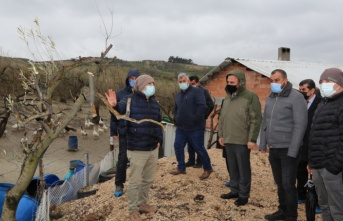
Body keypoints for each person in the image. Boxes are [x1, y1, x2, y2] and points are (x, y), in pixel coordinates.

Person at [106, 74, 163, 221]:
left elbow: (158, 123)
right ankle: (132, 209)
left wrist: (159, 139)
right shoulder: (129, 100)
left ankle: (142, 203)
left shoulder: (154, 103)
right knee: (135, 181)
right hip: (137, 148)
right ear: (141, 86)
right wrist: (114, 105)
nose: (152, 86)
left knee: (148, 180)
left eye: (153, 83)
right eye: (149, 84)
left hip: (152, 147)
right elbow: (120, 110)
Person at [259, 69, 308, 221]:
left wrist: (293, 150)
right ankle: (282, 210)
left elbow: (300, 125)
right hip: (274, 148)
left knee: (288, 184)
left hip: (288, 149)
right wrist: (263, 142)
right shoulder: (271, 97)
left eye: (277, 80)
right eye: (272, 80)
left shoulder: (296, 98)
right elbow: (265, 121)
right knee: (279, 182)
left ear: (285, 80)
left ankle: (291, 215)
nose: (273, 83)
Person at [218, 70, 262, 207]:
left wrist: (252, 139)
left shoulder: (250, 96)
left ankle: (244, 195)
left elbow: (256, 119)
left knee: (243, 169)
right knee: (232, 167)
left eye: (232, 82)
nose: (229, 84)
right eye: (228, 82)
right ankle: (234, 190)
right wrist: (221, 135)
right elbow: (222, 118)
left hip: (243, 140)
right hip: (228, 139)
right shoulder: (227, 98)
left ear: (240, 82)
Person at [308, 68, 343, 221]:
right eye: (321, 82)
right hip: (317, 165)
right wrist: (311, 161)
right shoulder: (323, 103)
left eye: (328, 81)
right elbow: (315, 134)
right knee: (324, 205)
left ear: (339, 83)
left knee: (337, 208)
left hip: (332, 168)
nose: (323, 85)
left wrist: (334, 166)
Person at [170, 73, 213, 179]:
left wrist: (194, 119)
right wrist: (176, 118)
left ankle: (207, 168)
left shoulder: (197, 91)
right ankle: (181, 167)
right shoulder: (179, 95)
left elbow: (202, 106)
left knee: (199, 148)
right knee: (178, 146)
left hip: (195, 127)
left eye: (184, 81)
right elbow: (176, 108)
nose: (182, 83)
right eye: (180, 82)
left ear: (188, 81)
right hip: (181, 127)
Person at [109, 69, 140, 197]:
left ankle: (137, 183)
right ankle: (119, 183)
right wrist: (113, 130)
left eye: (135, 78)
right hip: (124, 130)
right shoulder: (121, 93)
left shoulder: (141, 93)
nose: (133, 80)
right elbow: (113, 113)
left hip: (138, 131)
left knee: (137, 159)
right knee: (122, 158)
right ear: (127, 79)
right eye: (131, 78)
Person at [297, 79, 321, 206]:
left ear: (312, 90)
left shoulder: (321, 103)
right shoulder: (299, 102)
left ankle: (316, 202)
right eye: (300, 90)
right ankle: (301, 195)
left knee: (315, 175)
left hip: (315, 144)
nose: (301, 92)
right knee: (300, 170)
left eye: (304, 90)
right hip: (301, 144)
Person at [185, 75, 215, 168]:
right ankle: (191, 160)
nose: (191, 85)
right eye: (189, 84)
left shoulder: (203, 91)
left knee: (198, 142)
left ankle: (199, 162)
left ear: (198, 83)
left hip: (199, 122)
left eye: (193, 84)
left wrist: (204, 116)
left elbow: (210, 105)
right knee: (190, 141)